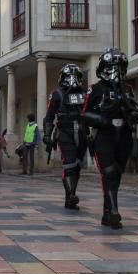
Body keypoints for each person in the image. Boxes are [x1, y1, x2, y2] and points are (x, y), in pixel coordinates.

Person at [84, 50, 138, 226]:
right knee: (108, 172)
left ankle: (107, 213)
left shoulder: (128, 89)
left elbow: (134, 109)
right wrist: (99, 119)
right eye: (110, 67)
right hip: (104, 134)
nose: (114, 71)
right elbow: (84, 113)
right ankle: (114, 211)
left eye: (118, 67)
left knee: (116, 173)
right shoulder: (95, 89)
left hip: (124, 134)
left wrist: (135, 114)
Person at [44, 64, 91, 209]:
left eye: (75, 76)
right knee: (69, 164)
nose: (73, 80)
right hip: (65, 132)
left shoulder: (85, 93)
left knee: (77, 166)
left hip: (82, 132)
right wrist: (47, 134)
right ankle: (71, 194)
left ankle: (70, 197)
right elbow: (49, 116)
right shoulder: (57, 94)